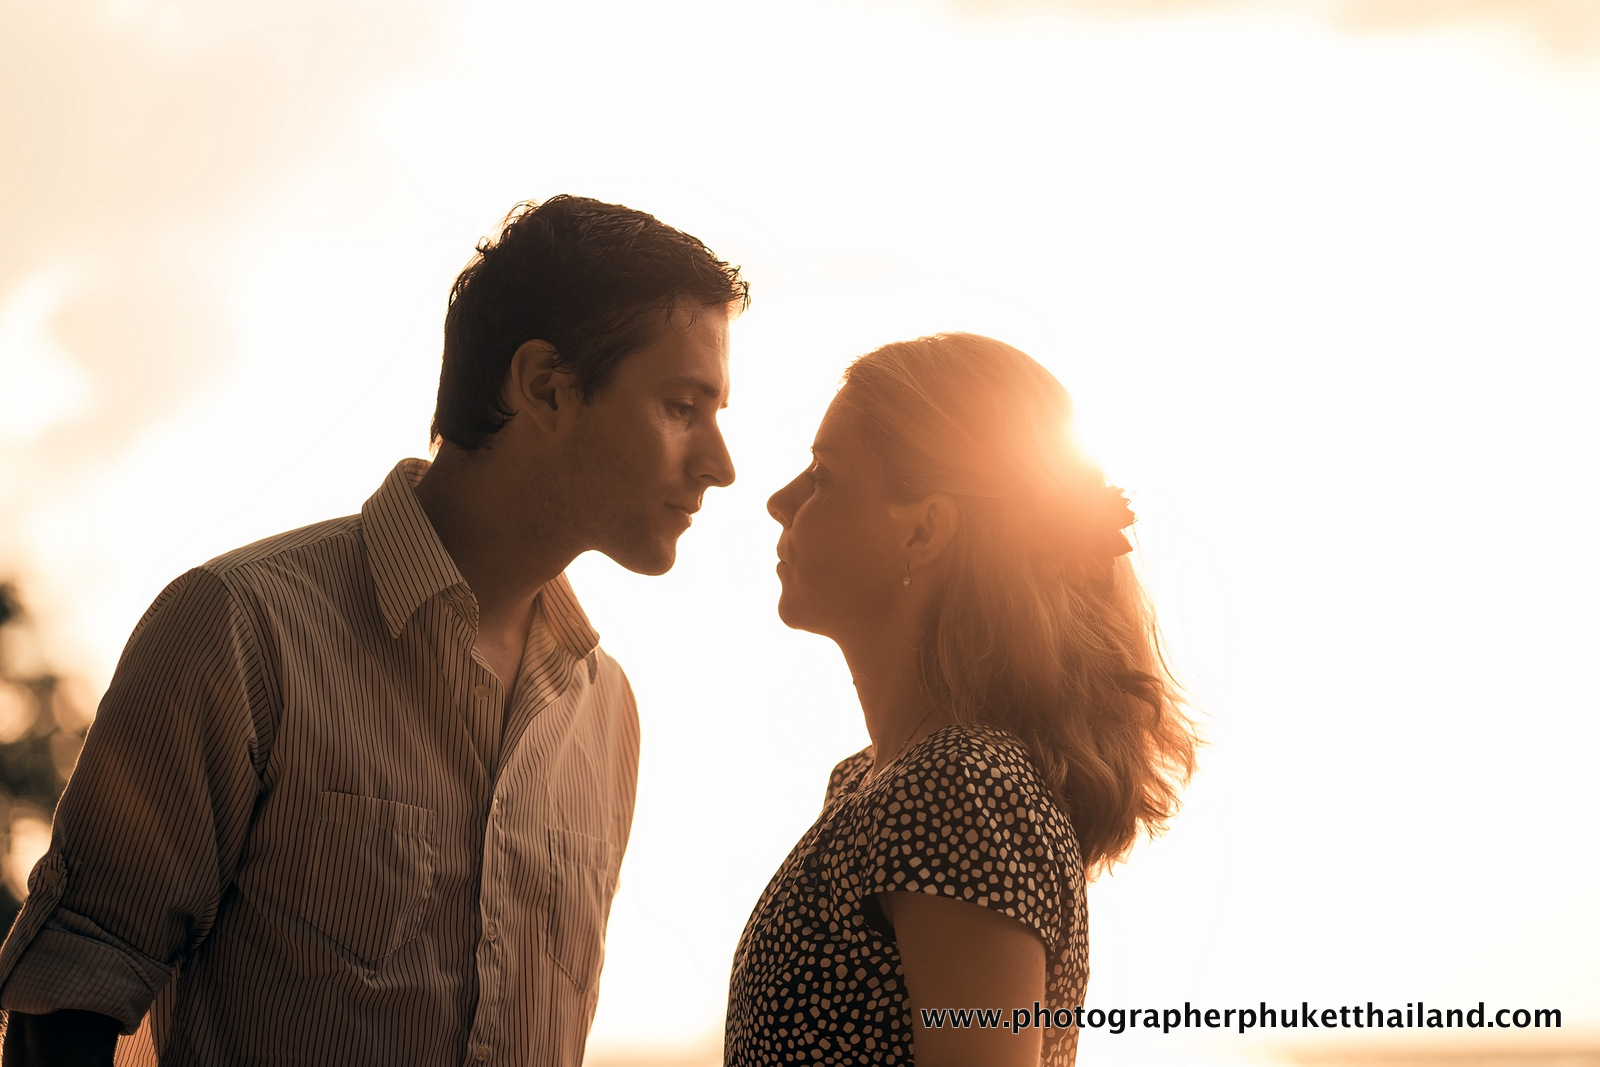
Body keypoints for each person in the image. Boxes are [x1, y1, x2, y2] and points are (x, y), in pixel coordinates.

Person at [0, 195, 748, 1067]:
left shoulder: (606, 711)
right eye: (682, 405)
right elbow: (66, 1004)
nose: (721, 464)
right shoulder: (240, 630)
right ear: (545, 385)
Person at [725, 333, 1198, 1067]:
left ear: (925, 530)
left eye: (824, 475)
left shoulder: (960, 787)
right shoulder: (878, 781)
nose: (779, 502)